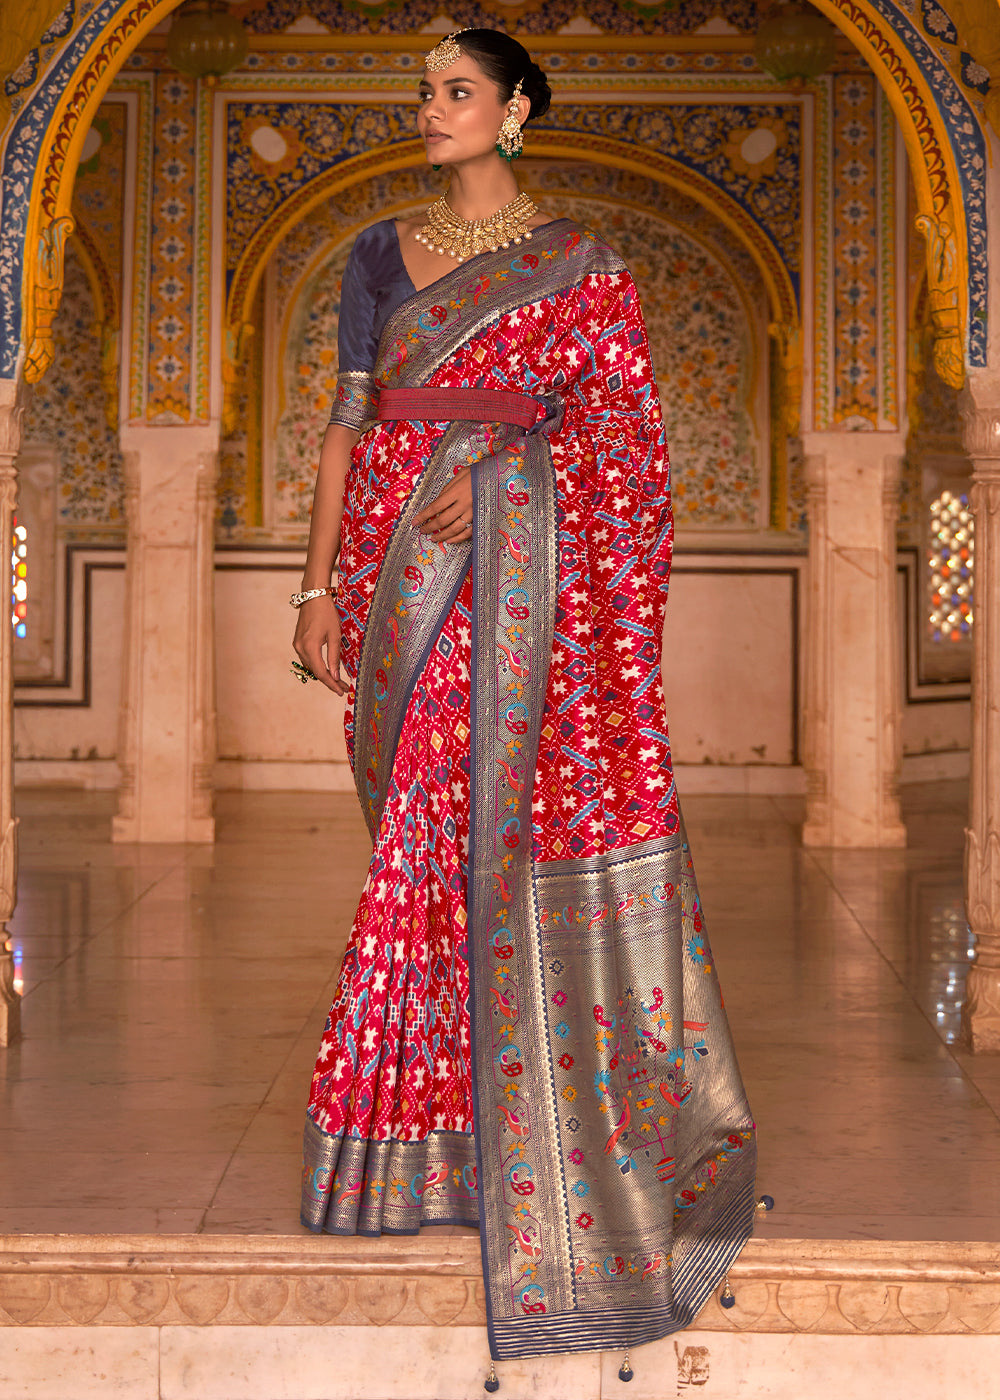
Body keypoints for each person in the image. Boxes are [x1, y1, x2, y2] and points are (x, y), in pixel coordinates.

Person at [293, 26, 758, 1370]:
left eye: (456, 93)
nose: (430, 111)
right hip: (396, 568)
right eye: (425, 92)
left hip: (518, 584)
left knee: (464, 836)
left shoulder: (584, 266)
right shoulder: (375, 255)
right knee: (413, 842)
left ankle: (466, 1143)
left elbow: (629, 440)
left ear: (515, 112)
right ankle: (412, 1145)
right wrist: (316, 588)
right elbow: (346, 424)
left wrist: (507, 478)